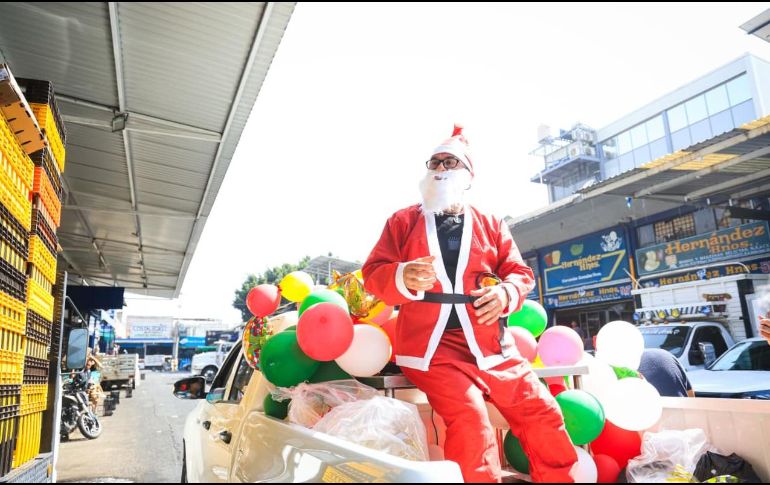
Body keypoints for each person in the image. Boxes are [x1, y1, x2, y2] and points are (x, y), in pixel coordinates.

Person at [362, 125, 577, 483]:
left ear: (468, 175)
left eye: (450, 162)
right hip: (431, 348)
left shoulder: (491, 223)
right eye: (435, 162)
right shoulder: (402, 222)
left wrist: (505, 293)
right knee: (469, 419)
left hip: (490, 344)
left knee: (542, 410)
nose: (440, 168)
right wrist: (401, 275)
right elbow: (372, 274)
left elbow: (519, 272)